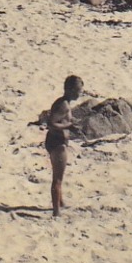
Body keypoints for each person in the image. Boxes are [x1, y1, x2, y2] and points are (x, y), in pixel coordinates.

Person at [46, 75, 84, 217]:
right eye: (78, 90)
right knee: (58, 178)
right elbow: (51, 124)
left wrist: (71, 123)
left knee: (59, 176)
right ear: (70, 90)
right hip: (57, 143)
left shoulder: (64, 103)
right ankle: (56, 212)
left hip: (56, 141)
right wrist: (70, 126)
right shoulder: (63, 105)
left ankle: (60, 203)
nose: (80, 93)